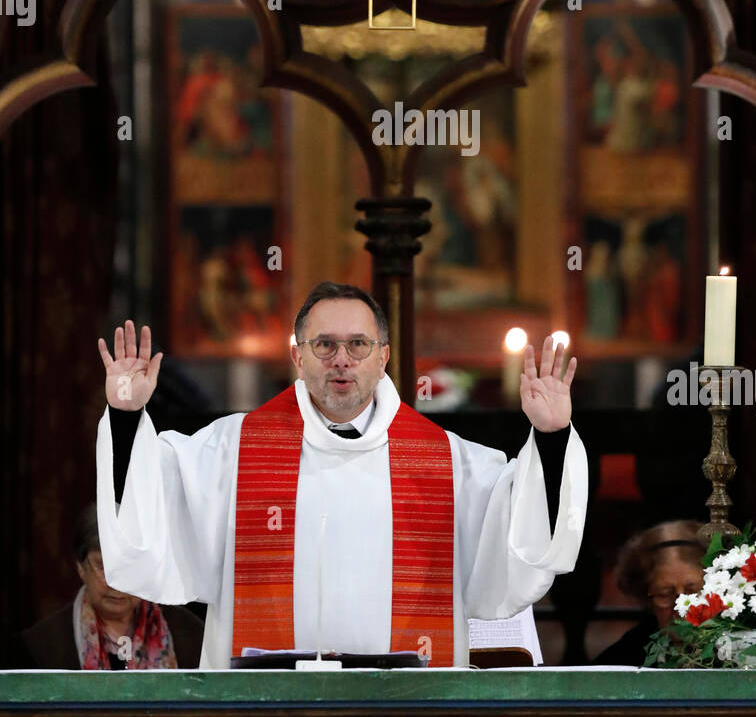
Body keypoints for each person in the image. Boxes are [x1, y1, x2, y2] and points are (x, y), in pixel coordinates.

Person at [96, 282, 588, 669]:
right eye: (324, 345)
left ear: (383, 356)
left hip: (406, 716)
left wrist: (551, 435)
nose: (341, 360)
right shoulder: (234, 449)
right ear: (298, 356)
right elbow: (150, 510)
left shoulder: (448, 461)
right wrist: (124, 418)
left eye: (358, 344)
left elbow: (519, 539)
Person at [14, 504, 203, 670]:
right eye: (104, 567)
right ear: (81, 568)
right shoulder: (42, 645)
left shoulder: (191, 634)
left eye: (129, 566)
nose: (117, 583)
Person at [591, 520, 705, 666]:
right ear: (646, 595)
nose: (680, 609)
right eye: (664, 594)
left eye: (693, 592)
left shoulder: (736, 651)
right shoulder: (623, 658)